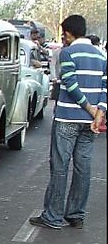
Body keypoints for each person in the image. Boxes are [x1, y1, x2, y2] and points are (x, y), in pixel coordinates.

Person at [29, 14, 107, 230]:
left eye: (64, 33)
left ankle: (53, 217)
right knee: (83, 168)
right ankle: (76, 215)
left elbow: (70, 84)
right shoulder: (100, 55)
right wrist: (99, 112)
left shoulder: (67, 53)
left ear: (69, 33)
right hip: (90, 123)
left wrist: (89, 107)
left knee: (60, 167)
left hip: (67, 118)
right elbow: (105, 87)